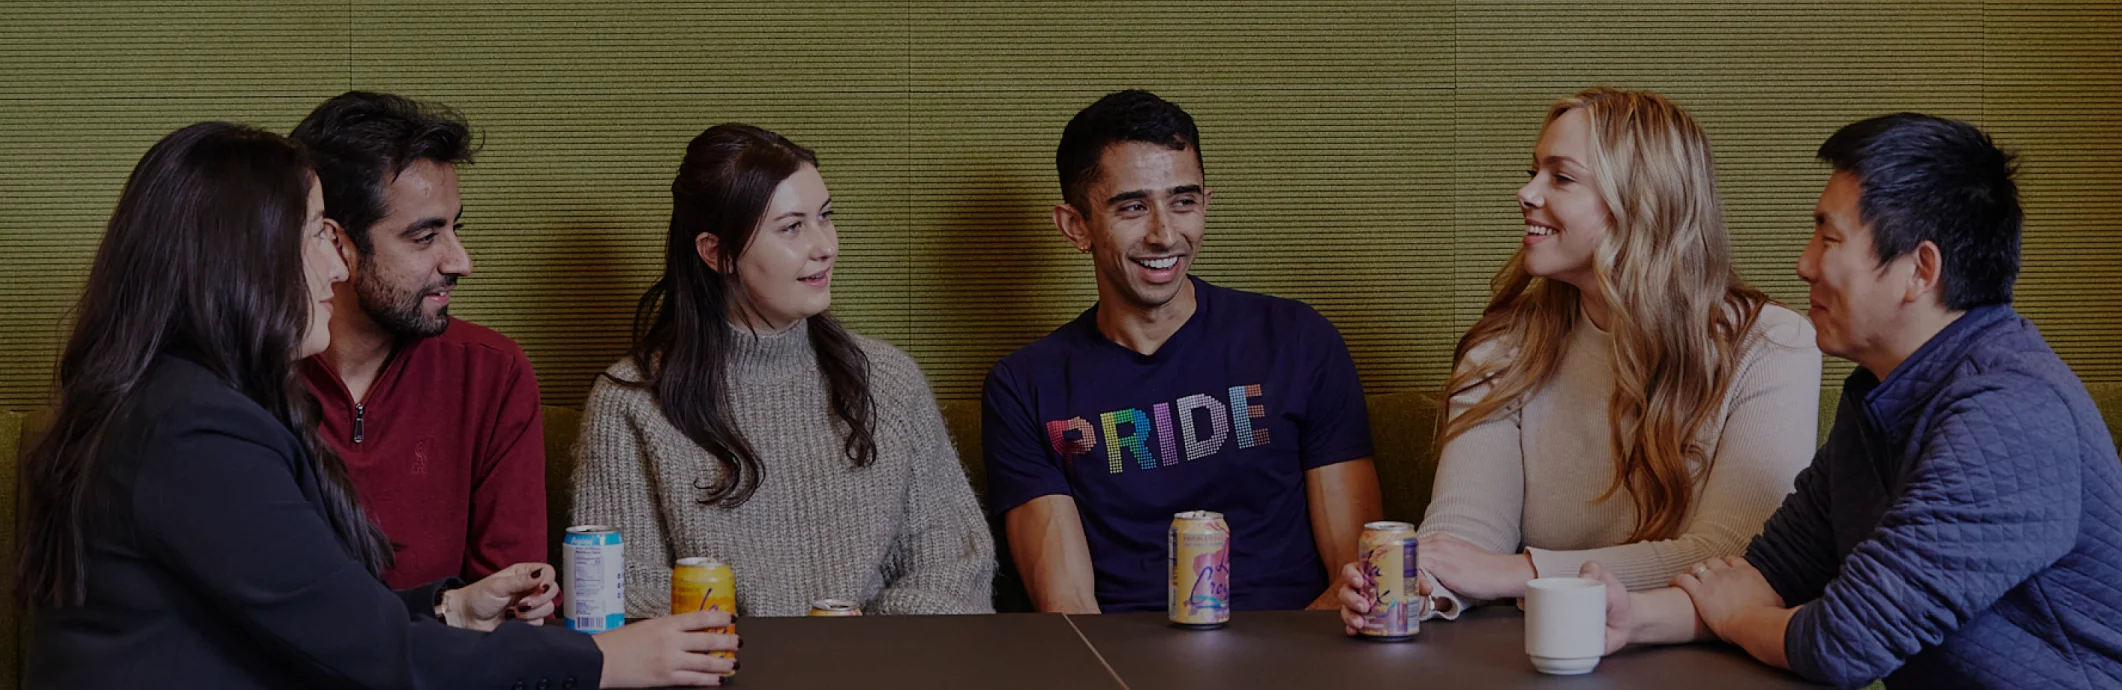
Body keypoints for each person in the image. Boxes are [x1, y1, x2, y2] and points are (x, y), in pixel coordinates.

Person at [15, 122, 735, 688]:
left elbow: (301, 619)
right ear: (242, 261)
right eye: (317, 237)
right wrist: (609, 661)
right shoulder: (194, 430)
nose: (336, 266)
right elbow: (373, 659)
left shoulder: (180, 402)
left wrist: (449, 608)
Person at [1588, 114, 2122, 688]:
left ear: (1920, 270)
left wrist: (1742, 619)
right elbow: (1777, 572)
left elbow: (1845, 641)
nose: (1804, 264)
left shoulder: (2011, 411)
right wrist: (1632, 618)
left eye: (1829, 238)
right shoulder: (1882, 395)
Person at [1337, 87, 1820, 627]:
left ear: (1644, 201)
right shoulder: (1501, 348)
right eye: (1533, 171)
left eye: (1561, 177)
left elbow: (1732, 559)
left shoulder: (1773, 344)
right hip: (1545, 652)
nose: (1525, 192)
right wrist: (1417, 587)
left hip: (1699, 656)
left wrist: (1517, 573)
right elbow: (1465, 537)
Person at [984, 89, 1385, 614]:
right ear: (1076, 225)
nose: (1166, 233)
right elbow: (1070, 611)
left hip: (1300, 653)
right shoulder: (1025, 386)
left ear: (1205, 203)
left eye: (1184, 201)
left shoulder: (1297, 340)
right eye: (1132, 206)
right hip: (1123, 668)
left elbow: (1357, 579)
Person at [571, 124, 995, 618]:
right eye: (793, 227)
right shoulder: (631, 401)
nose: (825, 246)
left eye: (825, 217)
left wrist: (871, 645)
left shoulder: (888, 380)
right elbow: (621, 593)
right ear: (716, 252)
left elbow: (954, 565)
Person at [288, 91, 547, 589]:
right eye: (426, 237)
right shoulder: (241, 378)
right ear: (333, 243)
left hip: (447, 665)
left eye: (455, 228)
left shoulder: (492, 373)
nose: (460, 262)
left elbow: (505, 599)